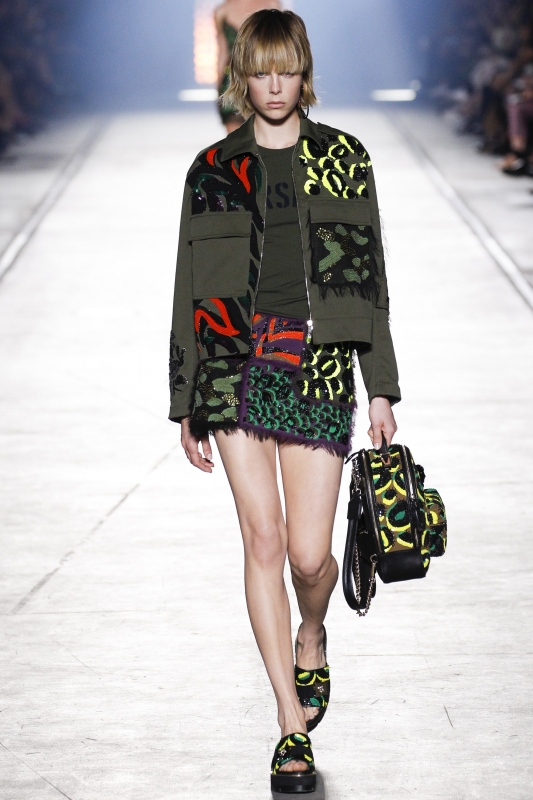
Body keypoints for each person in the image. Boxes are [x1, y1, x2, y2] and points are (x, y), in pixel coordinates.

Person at [169, 9, 400, 793]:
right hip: (233, 366)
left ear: (304, 73)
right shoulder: (211, 169)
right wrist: (184, 396)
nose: (273, 86)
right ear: (241, 78)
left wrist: (380, 386)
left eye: (286, 71)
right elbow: (187, 287)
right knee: (262, 541)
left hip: (319, 364)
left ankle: (311, 631)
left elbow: (368, 278)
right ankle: (288, 724)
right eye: (260, 72)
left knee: (308, 556)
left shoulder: (344, 159)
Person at [214, 0, 281, 132]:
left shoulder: (272, 5)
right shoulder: (221, 11)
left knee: (264, 135)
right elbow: (222, 53)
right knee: (236, 138)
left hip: (263, 80)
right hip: (232, 82)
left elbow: (280, 48)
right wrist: (218, 89)